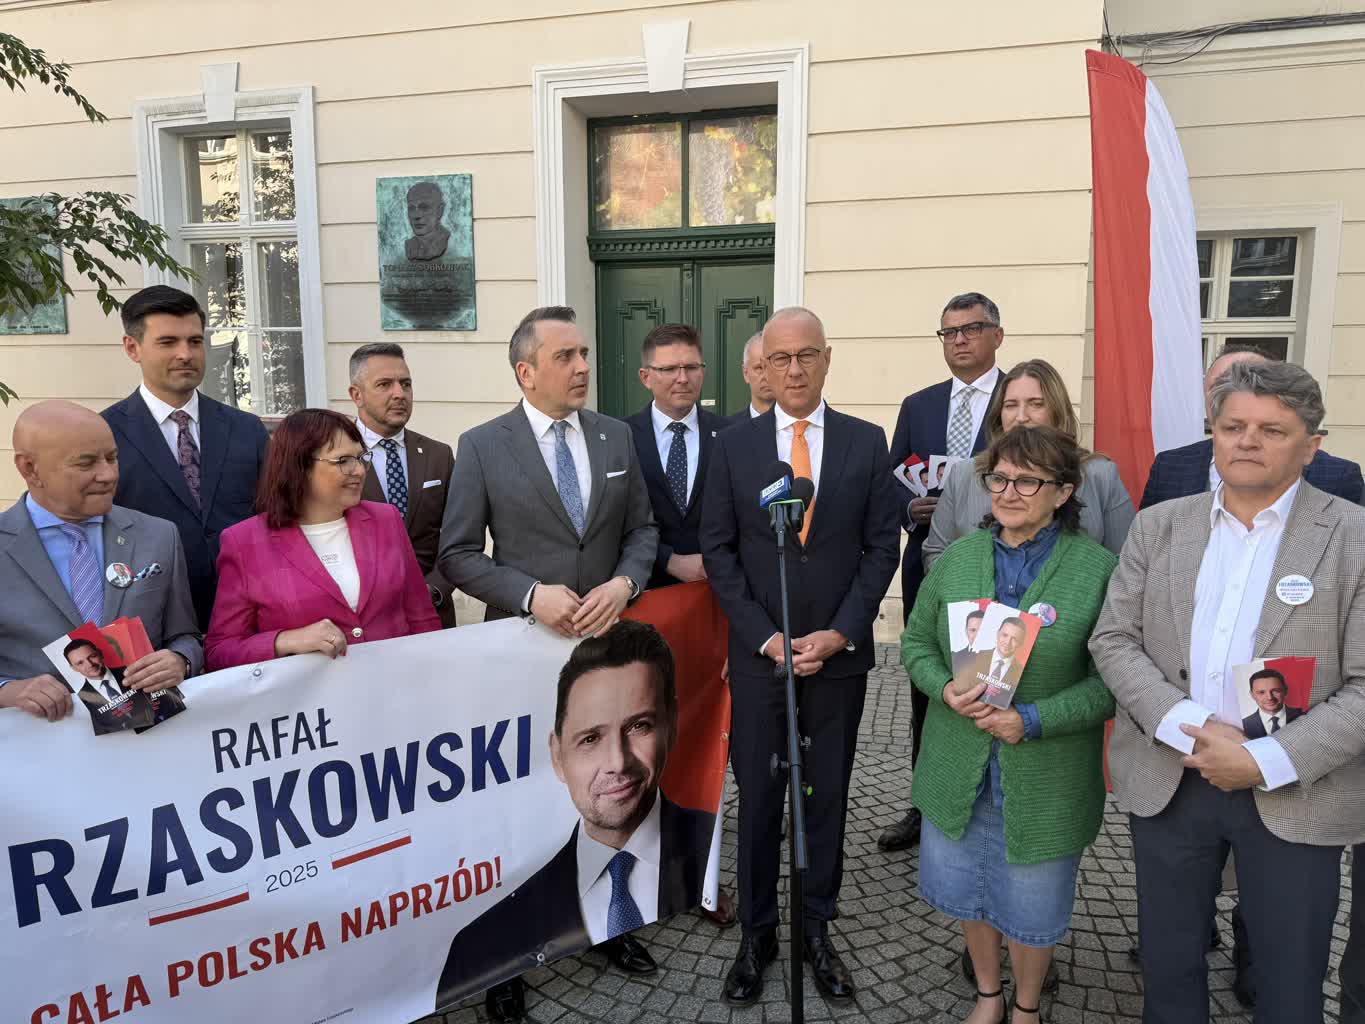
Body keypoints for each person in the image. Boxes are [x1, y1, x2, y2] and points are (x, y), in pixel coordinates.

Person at [1091, 359, 1365, 1024]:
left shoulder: (1353, 537)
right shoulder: (1159, 526)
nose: (1247, 441)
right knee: (1168, 970)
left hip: (1298, 788)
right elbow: (1113, 639)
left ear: (1310, 446)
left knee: (1289, 981)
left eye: (1272, 430)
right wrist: (1183, 721)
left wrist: (1262, 758)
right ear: (1212, 432)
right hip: (1172, 776)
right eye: (1233, 426)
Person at [438, 306, 658, 1022]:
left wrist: (625, 583)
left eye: (585, 353)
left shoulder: (615, 435)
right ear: (525, 371)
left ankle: (608, 920)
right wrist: (531, 594)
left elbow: (643, 530)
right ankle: (509, 957)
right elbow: (457, 554)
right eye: (566, 356)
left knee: (607, 790)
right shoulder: (482, 446)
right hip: (521, 657)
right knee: (521, 802)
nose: (584, 367)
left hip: (605, 657)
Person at [701, 306, 900, 1006]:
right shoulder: (733, 446)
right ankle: (757, 934)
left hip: (836, 660)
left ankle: (816, 928)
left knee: (826, 796)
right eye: (779, 358)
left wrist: (841, 632)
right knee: (759, 799)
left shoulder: (865, 441)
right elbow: (719, 551)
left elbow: (883, 545)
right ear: (762, 365)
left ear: (826, 358)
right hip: (762, 660)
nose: (793, 369)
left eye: (805, 355)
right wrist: (764, 636)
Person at [902, 425, 1119, 1024]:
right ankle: (988, 995)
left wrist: (1034, 719)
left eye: (1028, 481)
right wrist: (944, 687)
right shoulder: (958, 559)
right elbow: (916, 644)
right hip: (960, 762)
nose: (1008, 491)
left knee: (1033, 899)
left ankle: (1027, 1006)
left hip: (1046, 773)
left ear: (1064, 492)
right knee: (972, 889)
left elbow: (1112, 681)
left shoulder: (1098, 570)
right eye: (999, 478)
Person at [436, 621, 715, 1009]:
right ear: (556, 755)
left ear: (672, 722)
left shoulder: (706, 845)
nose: (618, 762)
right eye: (590, 739)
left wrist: (626, 587)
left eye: (640, 725)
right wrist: (532, 595)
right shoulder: (473, 943)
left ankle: (611, 933)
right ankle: (507, 972)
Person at [880, 292, 1004, 853]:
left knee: (995, 682)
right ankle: (924, 802)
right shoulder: (920, 405)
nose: (958, 340)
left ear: (996, 335)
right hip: (928, 564)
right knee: (929, 683)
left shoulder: (1020, 397)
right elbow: (891, 479)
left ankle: (991, 802)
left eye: (970, 329)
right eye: (949, 332)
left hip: (999, 565)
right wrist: (910, 508)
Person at [0, 401, 202, 719]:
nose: (108, 474)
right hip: (43, 743)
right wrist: (8, 691)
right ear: (30, 468)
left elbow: (186, 636)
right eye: (86, 463)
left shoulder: (159, 535)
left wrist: (181, 660)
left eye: (112, 458)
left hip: (153, 735)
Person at [205, 409, 441, 671]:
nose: (359, 470)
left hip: (395, 684)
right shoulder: (244, 542)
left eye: (361, 458)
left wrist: (431, 675)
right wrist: (286, 640)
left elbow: (422, 617)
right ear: (300, 466)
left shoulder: (386, 520)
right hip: (308, 695)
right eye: (344, 461)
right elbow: (220, 651)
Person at [102, 285, 271, 630]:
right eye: (168, 342)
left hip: (248, 619)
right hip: (153, 624)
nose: (186, 354)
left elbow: (273, 518)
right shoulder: (104, 435)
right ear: (132, 348)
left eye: (194, 341)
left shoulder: (246, 429)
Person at [922, 359, 1135, 573]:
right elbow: (936, 552)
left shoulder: (1100, 475)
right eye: (1011, 405)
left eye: (1036, 404)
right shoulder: (964, 474)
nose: (1021, 417)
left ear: (1058, 411)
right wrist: (969, 588)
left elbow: (1125, 562)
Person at [1141, 343, 1363, 509]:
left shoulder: (1337, 476)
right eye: (1218, 387)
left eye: (1251, 385)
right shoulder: (1169, 467)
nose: (1232, 396)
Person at [348, 342, 457, 627]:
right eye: (384, 384)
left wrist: (433, 590)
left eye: (405, 384)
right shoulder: (334, 458)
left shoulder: (438, 455)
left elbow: (459, 537)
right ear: (356, 395)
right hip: (363, 622)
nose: (399, 394)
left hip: (432, 616)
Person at [624, 324, 727, 590]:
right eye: (669, 369)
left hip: (719, 590)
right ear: (645, 377)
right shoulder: (621, 437)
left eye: (691, 367)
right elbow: (612, 522)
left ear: (703, 372)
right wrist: (668, 560)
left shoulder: (730, 435)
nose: (682, 378)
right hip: (645, 591)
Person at [962, 617, 1027, 702]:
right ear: (997, 634)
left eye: (1014, 639)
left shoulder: (1020, 671)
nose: (1007, 642)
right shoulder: (975, 656)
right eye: (1005, 635)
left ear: (1021, 643)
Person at [1240, 668, 1303, 739]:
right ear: (1252, 695)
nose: (1270, 698)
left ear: (1285, 691)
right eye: (1261, 692)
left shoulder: (1304, 716)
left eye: (1275, 691)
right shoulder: (1243, 726)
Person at [728, 331, 775, 424]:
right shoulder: (728, 428)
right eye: (759, 368)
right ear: (746, 373)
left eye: (772, 367)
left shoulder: (799, 427)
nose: (767, 376)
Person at [404, 181, 451, 261]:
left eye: (424, 207)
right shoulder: (410, 245)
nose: (417, 216)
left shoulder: (446, 240)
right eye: (411, 208)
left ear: (440, 211)